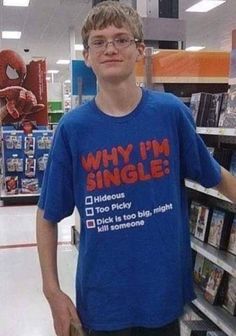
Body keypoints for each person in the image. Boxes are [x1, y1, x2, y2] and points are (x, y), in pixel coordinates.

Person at [36, 1, 236, 336]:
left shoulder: (170, 115)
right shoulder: (73, 129)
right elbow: (47, 217)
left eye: (121, 39)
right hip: (102, 301)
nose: (110, 48)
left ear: (139, 50)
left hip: (163, 295)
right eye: (99, 41)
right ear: (87, 56)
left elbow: (216, 177)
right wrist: (52, 292)